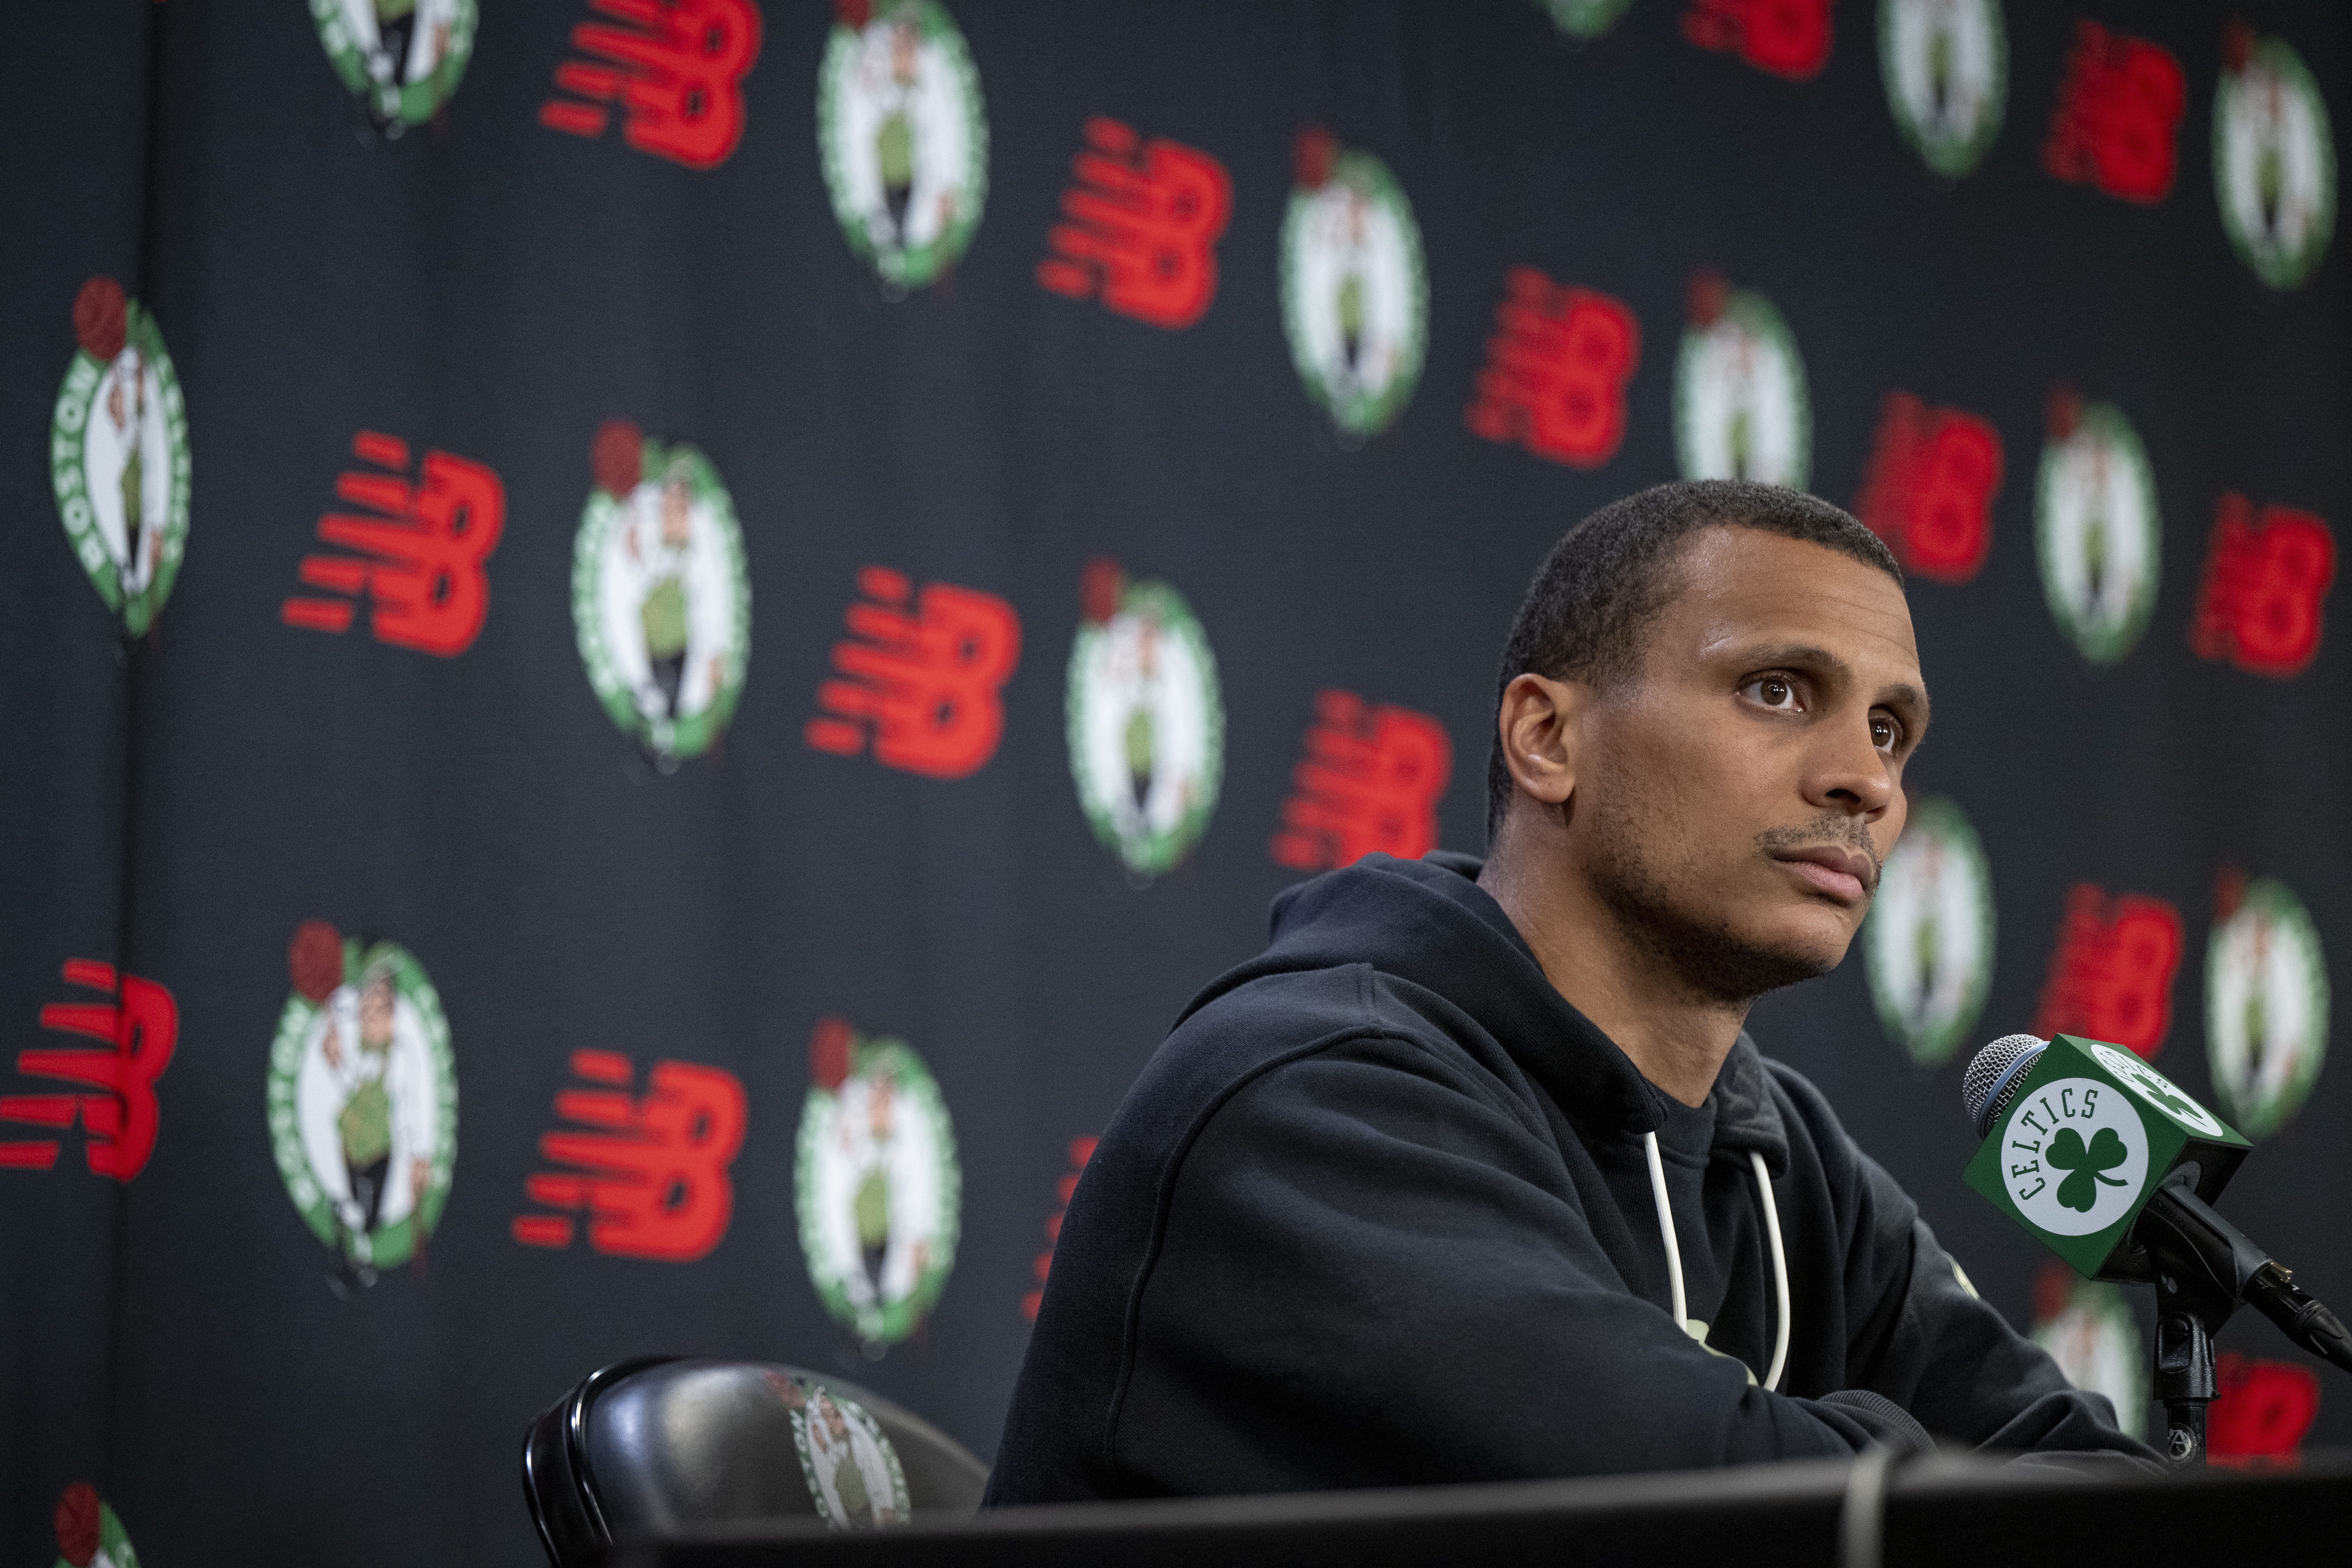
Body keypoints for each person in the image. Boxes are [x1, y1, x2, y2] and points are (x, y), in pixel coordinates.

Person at [988, 480, 2154, 1502]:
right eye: (1779, 690)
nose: (1864, 779)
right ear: (1548, 738)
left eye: (1892, 730)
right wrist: (1936, 1471)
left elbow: (2108, 1495)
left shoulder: (1787, 1158)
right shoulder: (1312, 1101)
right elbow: (1705, 1517)